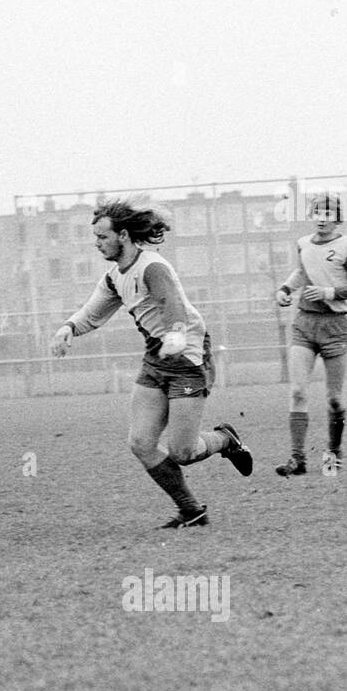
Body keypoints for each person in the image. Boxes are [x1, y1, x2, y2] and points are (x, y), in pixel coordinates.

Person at [50, 198, 252, 529]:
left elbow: (171, 302)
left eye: (102, 237)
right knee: (141, 443)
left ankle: (225, 440)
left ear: (124, 235)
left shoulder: (151, 266)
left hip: (187, 358)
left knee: (182, 451)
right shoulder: (116, 275)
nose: (97, 243)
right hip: (155, 360)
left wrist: (175, 334)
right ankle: (191, 510)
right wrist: (69, 328)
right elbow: (94, 311)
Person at [274, 194, 347, 475]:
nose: (322, 219)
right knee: (298, 391)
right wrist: (285, 289)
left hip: (334, 326)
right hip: (304, 322)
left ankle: (333, 454)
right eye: (317, 213)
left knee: (334, 399)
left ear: (338, 219)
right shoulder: (303, 243)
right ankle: (297, 460)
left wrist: (330, 292)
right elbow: (302, 273)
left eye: (328, 214)